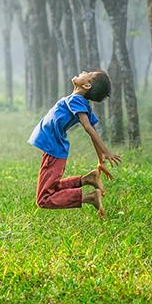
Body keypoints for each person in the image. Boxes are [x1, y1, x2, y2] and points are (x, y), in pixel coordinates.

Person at [27, 71, 121, 218]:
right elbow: (92, 130)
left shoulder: (76, 100)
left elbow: (88, 127)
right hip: (54, 148)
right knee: (51, 187)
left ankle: (90, 198)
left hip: (54, 149)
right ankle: (87, 179)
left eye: (88, 73)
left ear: (86, 84)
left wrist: (106, 151)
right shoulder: (80, 102)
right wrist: (100, 159)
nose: (83, 72)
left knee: (43, 199)